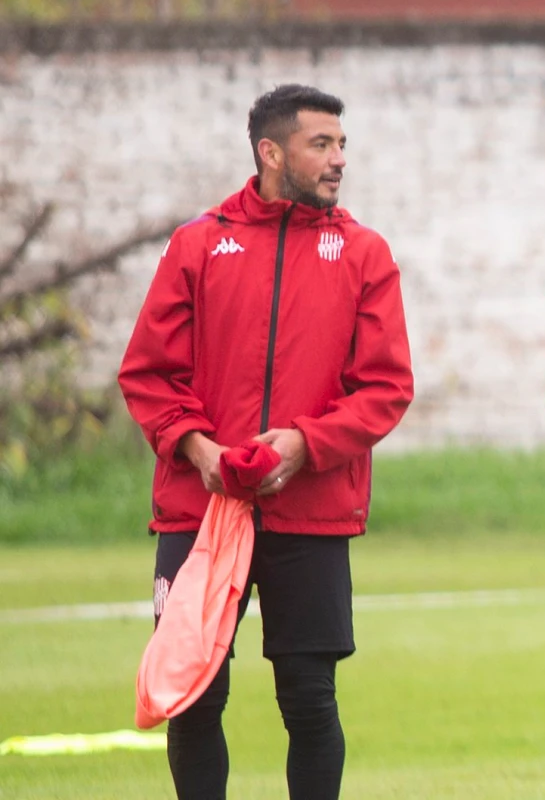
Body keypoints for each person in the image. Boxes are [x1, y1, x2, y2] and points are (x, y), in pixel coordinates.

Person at [118, 84, 414, 800]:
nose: (339, 158)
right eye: (322, 144)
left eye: (342, 143)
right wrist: (199, 450)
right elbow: (149, 372)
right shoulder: (198, 244)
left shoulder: (365, 253)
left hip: (309, 510)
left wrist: (303, 447)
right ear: (271, 151)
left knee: (309, 699)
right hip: (200, 511)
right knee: (194, 698)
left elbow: (385, 387)